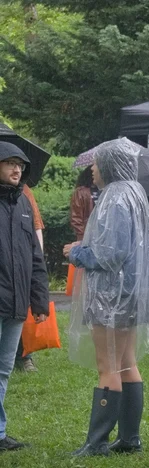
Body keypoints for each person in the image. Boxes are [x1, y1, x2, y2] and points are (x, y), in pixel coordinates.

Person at [62, 138, 149, 456]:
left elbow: (110, 254)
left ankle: (96, 442)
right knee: (126, 363)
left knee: (108, 365)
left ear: (110, 165)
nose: (92, 170)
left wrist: (76, 251)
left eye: (96, 163)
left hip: (112, 297)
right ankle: (129, 437)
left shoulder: (114, 198)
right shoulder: (136, 194)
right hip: (132, 294)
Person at [0, 142, 49, 451]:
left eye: (20, 164)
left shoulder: (23, 204)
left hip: (17, 304)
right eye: (9, 163)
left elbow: (35, 256)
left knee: (4, 369)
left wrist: (39, 300)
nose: (17, 169)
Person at [14, 183, 46, 373]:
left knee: (20, 312)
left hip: (18, 267)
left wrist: (36, 261)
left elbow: (36, 227)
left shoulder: (24, 191)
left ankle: (24, 356)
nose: (16, 169)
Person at [70, 166, 99, 242]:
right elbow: (76, 218)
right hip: (87, 236)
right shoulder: (81, 192)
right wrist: (82, 238)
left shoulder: (106, 190)